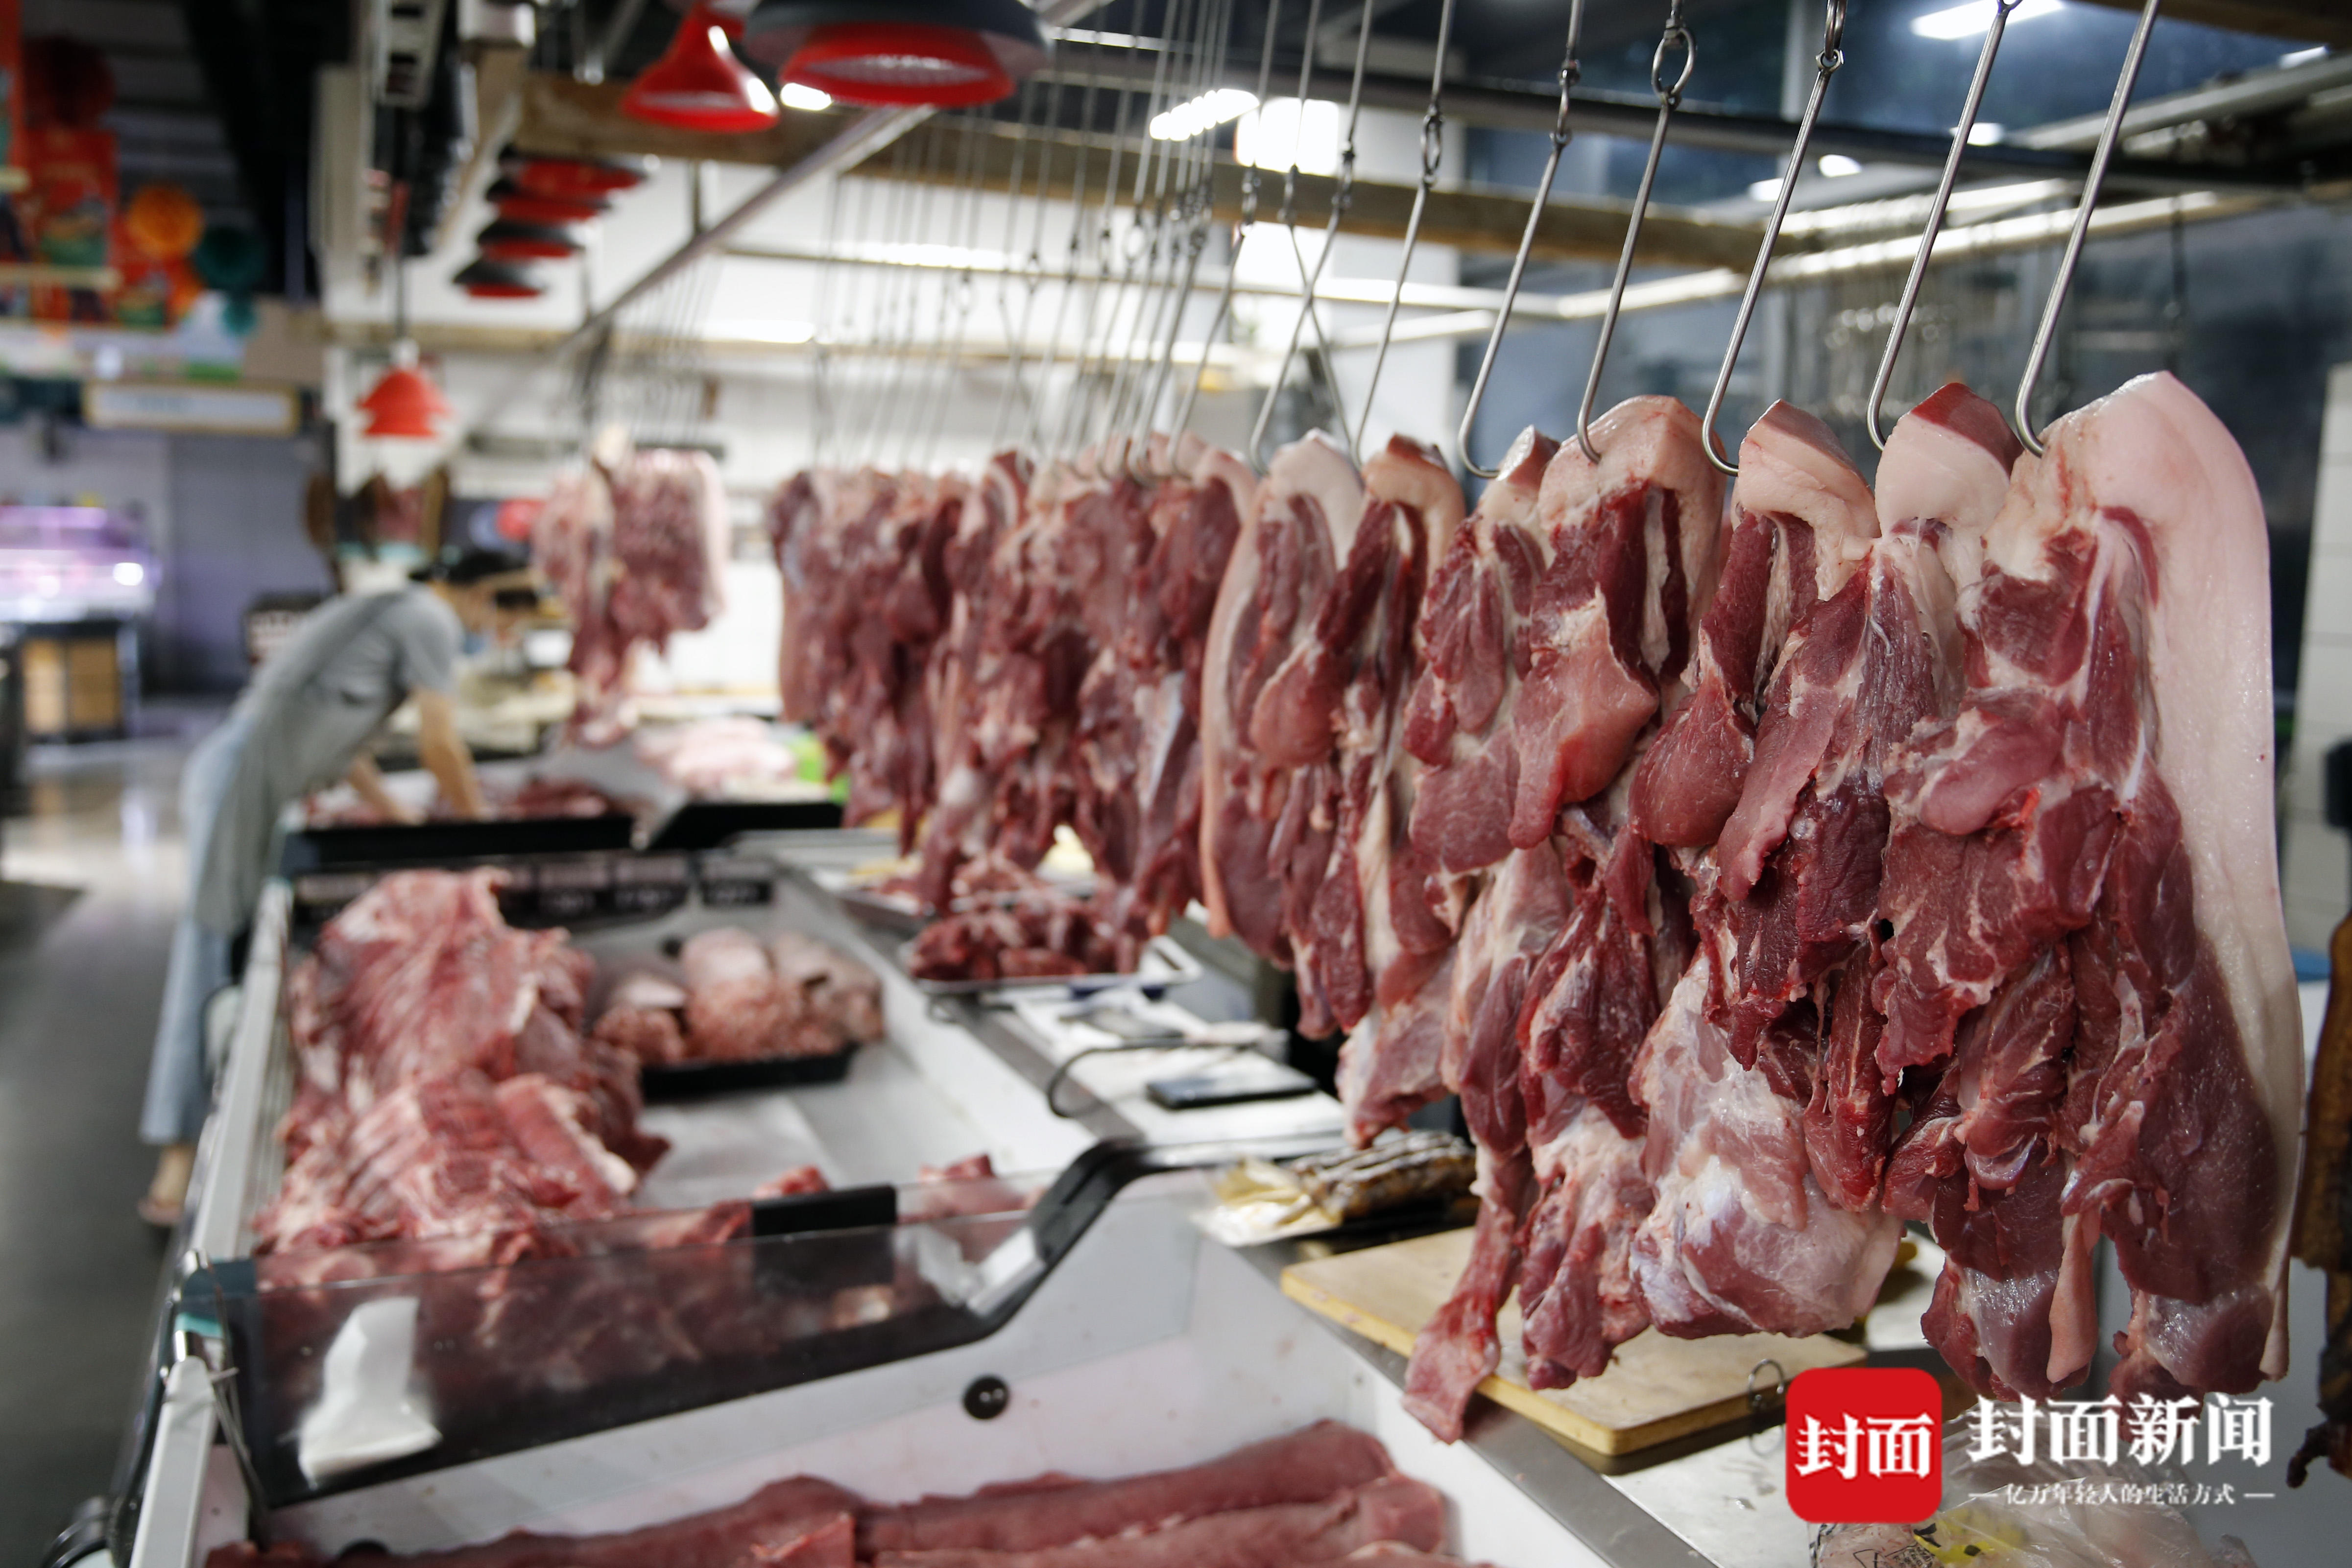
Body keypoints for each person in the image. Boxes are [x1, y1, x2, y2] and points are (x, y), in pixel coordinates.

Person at [137, 548, 533, 1226]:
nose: (498, 629)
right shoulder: (429, 618)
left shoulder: (388, 610)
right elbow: (440, 743)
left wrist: (399, 817)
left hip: (248, 773)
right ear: (482, 595)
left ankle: (195, 1151)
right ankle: (175, 1166)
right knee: (208, 951)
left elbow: (342, 744)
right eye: (505, 615)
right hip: (244, 779)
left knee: (230, 953)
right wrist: (484, 838)